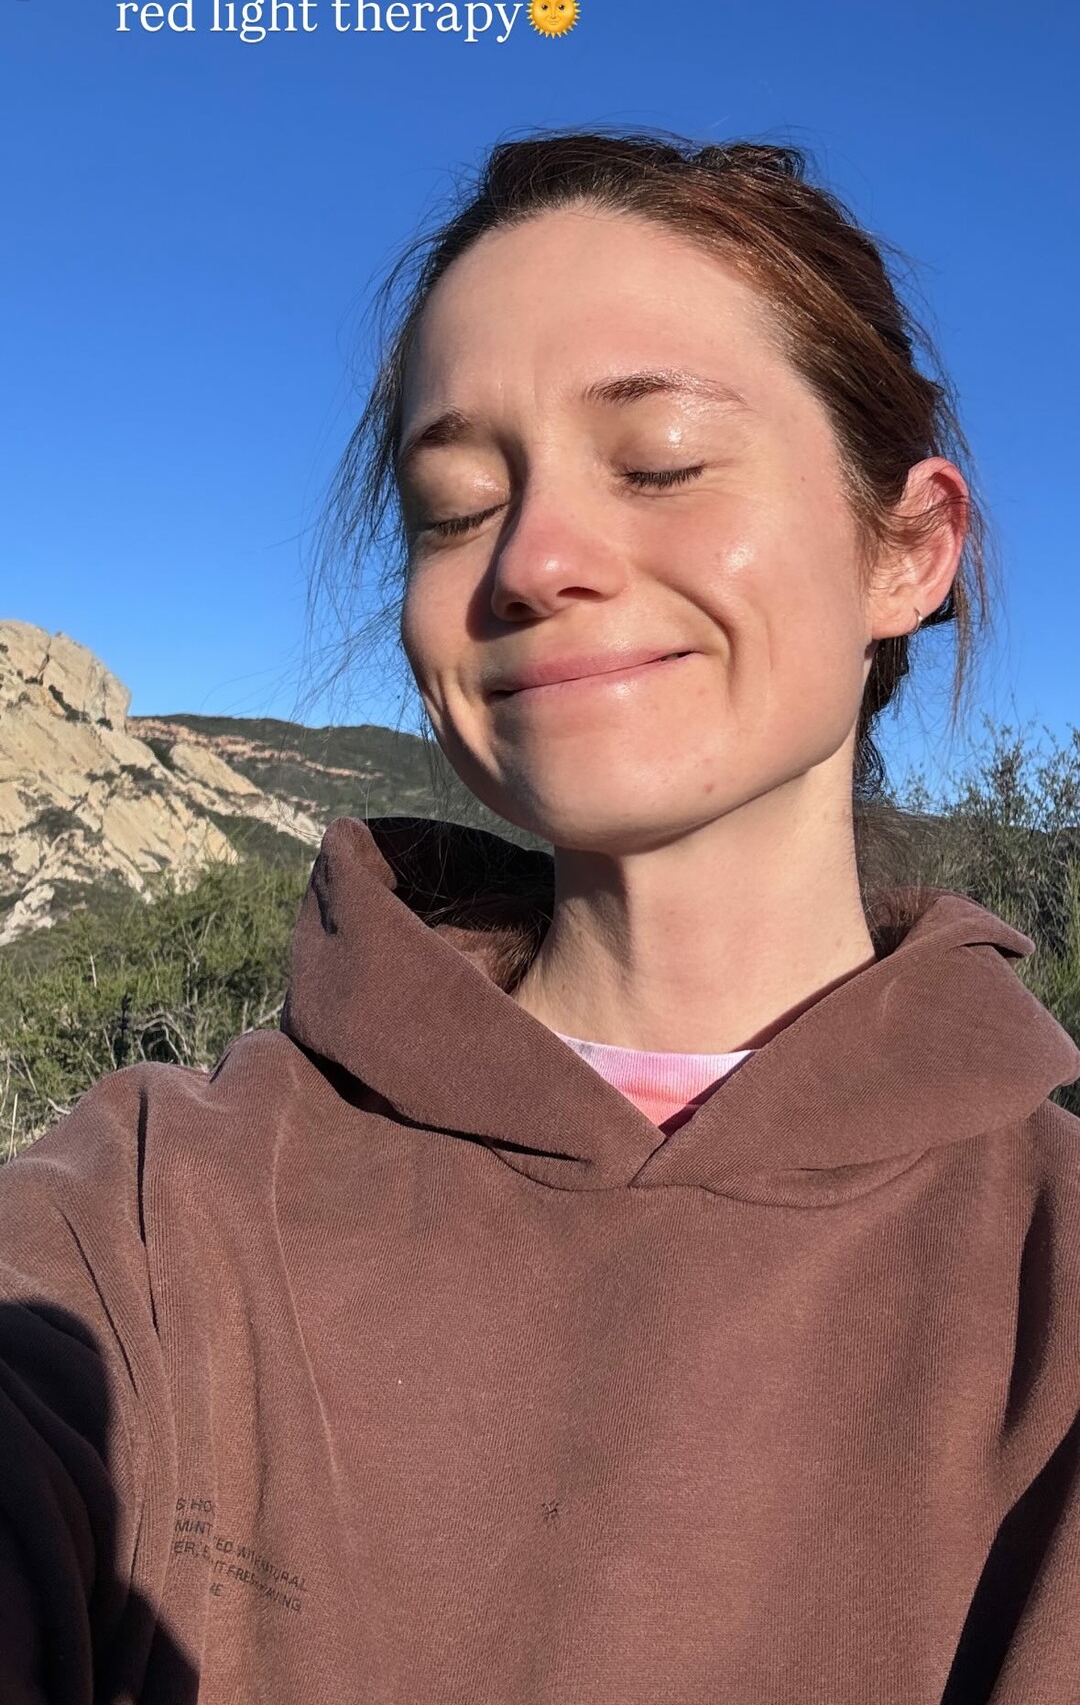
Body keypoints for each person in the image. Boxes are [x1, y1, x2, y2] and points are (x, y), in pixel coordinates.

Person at [1, 130, 1078, 1704]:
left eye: (661, 461)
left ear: (909, 549)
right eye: (453, 506)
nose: (534, 561)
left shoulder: (1057, 1275)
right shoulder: (154, 1210)